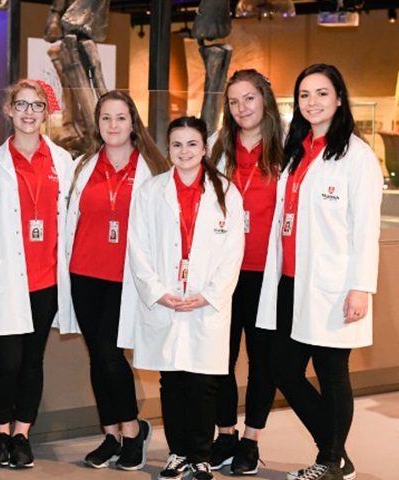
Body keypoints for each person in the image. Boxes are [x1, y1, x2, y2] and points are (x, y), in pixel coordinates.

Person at [257, 64, 381, 480]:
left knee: (331, 372)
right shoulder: (298, 150)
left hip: (334, 284)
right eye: (305, 94)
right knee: (283, 370)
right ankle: (334, 450)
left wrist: (360, 287)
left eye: (322, 93)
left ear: (340, 99)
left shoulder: (357, 156)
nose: (313, 102)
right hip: (293, 281)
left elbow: (366, 228)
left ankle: (329, 461)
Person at [123, 116, 244, 480]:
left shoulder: (226, 192)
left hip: (206, 304)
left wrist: (209, 295)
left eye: (192, 144)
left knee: (203, 382)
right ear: (168, 148)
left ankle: (201, 455)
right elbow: (137, 246)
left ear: (204, 148)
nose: (184, 151)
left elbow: (233, 250)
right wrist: (158, 292)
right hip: (167, 300)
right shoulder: (151, 191)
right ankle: (177, 453)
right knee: (172, 380)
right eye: (177, 144)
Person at [0, 79, 73, 469]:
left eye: (37, 106)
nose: (29, 113)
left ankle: (22, 434)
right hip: (4, 274)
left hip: (46, 278)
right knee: (5, 361)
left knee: (32, 361)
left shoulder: (63, 162)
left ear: (47, 112)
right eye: (22, 105)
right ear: (8, 110)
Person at [64, 90, 167, 471]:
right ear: (98, 123)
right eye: (106, 118)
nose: (113, 125)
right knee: (97, 355)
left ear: (133, 121)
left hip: (126, 278)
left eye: (120, 117)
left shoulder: (153, 169)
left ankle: (133, 429)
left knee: (110, 354)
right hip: (83, 274)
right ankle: (110, 434)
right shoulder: (84, 165)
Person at [207, 69, 284, 475]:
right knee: (221, 357)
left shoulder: (288, 151)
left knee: (262, 361)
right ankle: (225, 433)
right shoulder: (217, 148)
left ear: (265, 101)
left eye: (249, 99)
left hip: (266, 274)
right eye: (234, 102)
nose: (242, 108)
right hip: (225, 272)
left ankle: (251, 439)